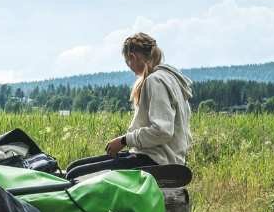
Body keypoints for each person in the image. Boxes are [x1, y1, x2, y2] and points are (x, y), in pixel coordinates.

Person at [65, 32, 192, 179]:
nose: (130, 68)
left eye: (127, 62)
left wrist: (124, 140)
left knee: (75, 174)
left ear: (132, 57)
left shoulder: (155, 81)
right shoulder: (170, 79)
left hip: (157, 162)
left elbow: (162, 131)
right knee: (73, 168)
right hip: (156, 157)